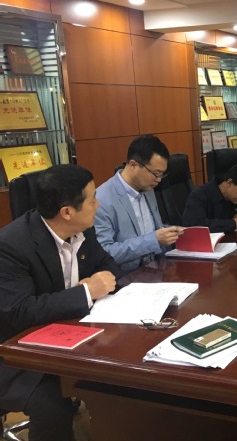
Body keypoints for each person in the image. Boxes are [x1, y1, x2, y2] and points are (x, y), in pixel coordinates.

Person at [0, 164, 120, 441]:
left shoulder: (82, 229)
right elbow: (18, 311)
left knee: (118, 378)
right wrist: (85, 292)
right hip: (16, 352)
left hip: (67, 335)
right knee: (53, 405)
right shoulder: (11, 245)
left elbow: (110, 267)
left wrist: (97, 285)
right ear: (67, 212)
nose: (98, 205)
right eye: (92, 199)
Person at [95, 135, 182, 273]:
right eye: (156, 173)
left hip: (158, 269)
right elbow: (105, 253)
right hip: (127, 277)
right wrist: (153, 240)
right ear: (133, 165)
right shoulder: (102, 199)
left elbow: (151, 229)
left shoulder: (148, 189)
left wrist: (173, 231)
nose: (159, 180)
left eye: (162, 174)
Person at [182, 163, 237, 232]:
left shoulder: (234, 199)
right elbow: (194, 225)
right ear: (230, 182)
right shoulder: (200, 194)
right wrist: (233, 223)